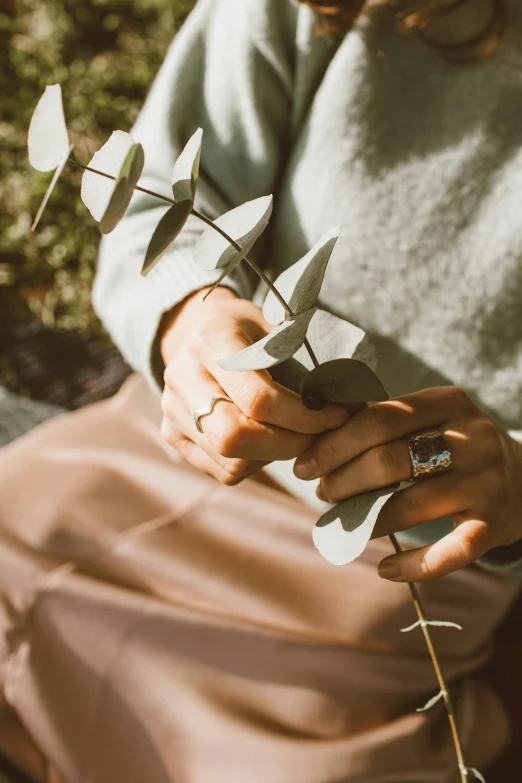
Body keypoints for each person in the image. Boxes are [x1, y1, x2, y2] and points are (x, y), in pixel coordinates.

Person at [1, 0, 522, 780]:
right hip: (154, 457)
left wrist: (513, 483)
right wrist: (193, 317)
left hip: (396, 578)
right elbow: (158, 199)